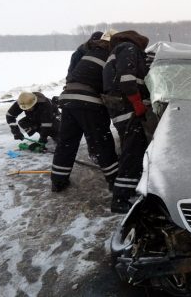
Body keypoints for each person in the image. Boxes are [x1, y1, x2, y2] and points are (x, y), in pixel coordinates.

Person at [50, 29, 119, 192]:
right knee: (102, 142)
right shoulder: (111, 55)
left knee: (66, 143)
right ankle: (114, 180)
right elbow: (110, 84)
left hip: (68, 100)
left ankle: (58, 181)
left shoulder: (90, 51)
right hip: (88, 102)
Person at [102, 30, 150, 213]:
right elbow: (127, 78)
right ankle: (120, 198)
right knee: (133, 151)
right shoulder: (128, 47)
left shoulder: (116, 50)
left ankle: (128, 187)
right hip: (126, 105)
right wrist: (137, 102)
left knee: (130, 149)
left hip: (120, 106)